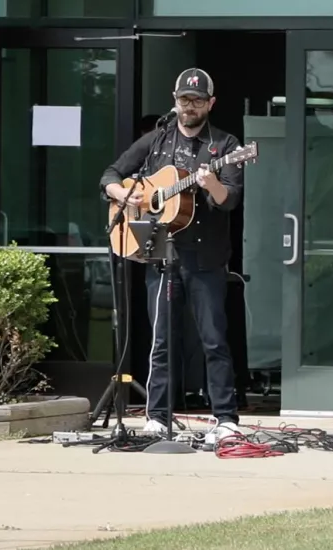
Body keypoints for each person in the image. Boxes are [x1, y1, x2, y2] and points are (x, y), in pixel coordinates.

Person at [99, 68, 244, 439]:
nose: (189, 106)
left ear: (210, 103)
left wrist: (212, 183)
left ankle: (225, 418)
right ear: (175, 101)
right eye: (184, 99)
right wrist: (127, 195)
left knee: (213, 338)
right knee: (161, 339)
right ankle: (157, 417)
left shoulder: (226, 147)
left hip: (205, 260)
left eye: (197, 100)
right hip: (161, 257)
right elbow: (111, 175)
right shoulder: (156, 140)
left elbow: (229, 202)